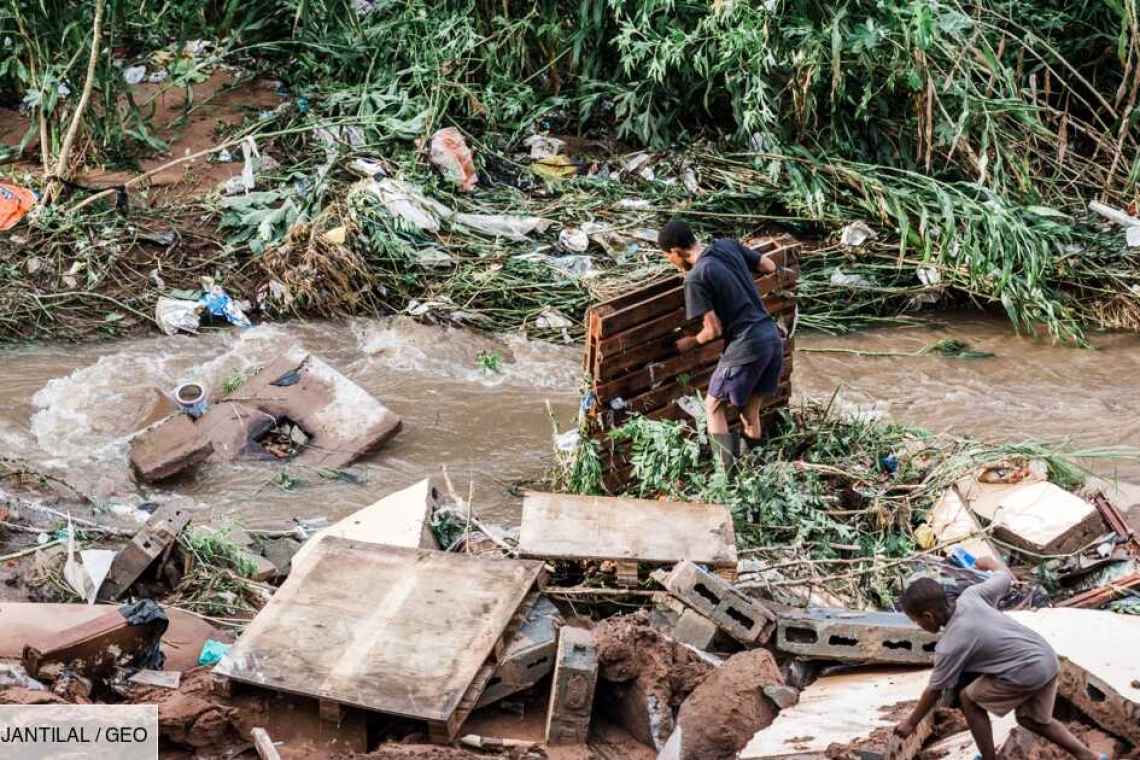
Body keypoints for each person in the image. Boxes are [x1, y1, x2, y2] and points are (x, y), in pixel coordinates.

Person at [894, 558, 1105, 760]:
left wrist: (911, 723)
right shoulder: (972, 595)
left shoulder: (950, 645)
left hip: (1027, 669)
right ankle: (1089, 756)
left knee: (969, 698)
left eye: (916, 620)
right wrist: (988, 562)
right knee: (1031, 719)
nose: (917, 626)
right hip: (1046, 657)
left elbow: (934, 690)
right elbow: (1004, 577)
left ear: (928, 616)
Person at [658, 219, 785, 472]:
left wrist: (691, 342)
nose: (670, 263)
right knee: (750, 415)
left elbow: (713, 330)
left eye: (667, 257)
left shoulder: (696, 278)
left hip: (746, 344)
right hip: (772, 339)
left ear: (676, 251)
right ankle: (758, 471)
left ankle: (726, 476)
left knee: (713, 405)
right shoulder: (727, 245)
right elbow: (769, 265)